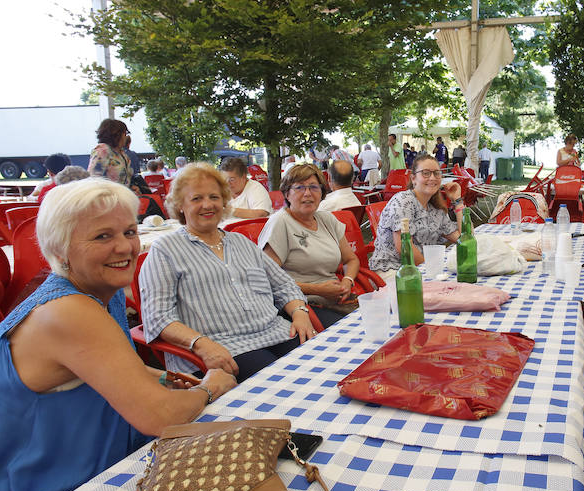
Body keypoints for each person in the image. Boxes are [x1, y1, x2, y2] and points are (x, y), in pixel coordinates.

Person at [0, 178, 237, 491]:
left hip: (73, 466)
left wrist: (168, 376)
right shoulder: (69, 311)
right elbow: (160, 417)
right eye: (102, 236)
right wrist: (209, 386)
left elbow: (104, 368)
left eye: (128, 232)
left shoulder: (91, 291)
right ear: (60, 250)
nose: (125, 248)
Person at [139, 163, 318, 382]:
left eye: (214, 197)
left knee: (325, 366)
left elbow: (283, 285)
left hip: (277, 332)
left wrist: (300, 313)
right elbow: (158, 317)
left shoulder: (240, 241)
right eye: (196, 198)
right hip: (225, 347)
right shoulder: (165, 250)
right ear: (180, 206)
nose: (208, 205)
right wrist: (202, 345)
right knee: (291, 383)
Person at [258, 164, 356, 322]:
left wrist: (347, 280)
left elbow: (351, 259)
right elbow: (267, 279)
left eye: (314, 187)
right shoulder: (280, 223)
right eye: (299, 188)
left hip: (335, 299)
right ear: (287, 194)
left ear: (322, 193)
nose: (307, 193)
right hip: (301, 305)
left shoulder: (327, 219)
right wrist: (317, 289)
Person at [369, 153, 463, 283]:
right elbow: (404, 247)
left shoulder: (435, 209)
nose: (432, 177)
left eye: (437, 173)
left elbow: (463, 239)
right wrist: (430, 271)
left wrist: (458, 201)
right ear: (413, 178)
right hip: (392, 269)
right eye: (425, 173)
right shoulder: (403, 201)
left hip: (420, 268)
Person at [88, 118, 133, 186]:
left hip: (122, 194)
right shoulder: (102, 151)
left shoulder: (122, 153)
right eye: (125, 133)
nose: (126, 136)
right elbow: (94, 179)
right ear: (116, 134)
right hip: (107, 194)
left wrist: (131, 187)